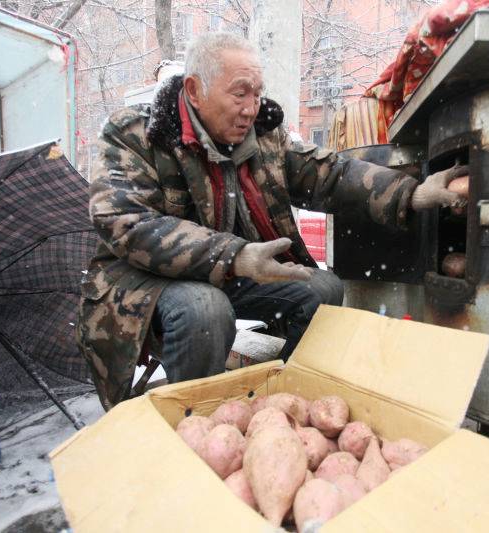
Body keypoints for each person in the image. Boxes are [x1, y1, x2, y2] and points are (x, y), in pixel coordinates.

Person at [77, 32, 465, 410]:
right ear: (194, 91)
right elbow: (125, 221)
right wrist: (233, 255)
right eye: (240, 93)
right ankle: (196, 423)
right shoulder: (135, 134)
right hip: (147, 279)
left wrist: (410, 193)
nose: (251, 107)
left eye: (258, 92)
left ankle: (284, 402)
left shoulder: (264, 137)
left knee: (321, 289)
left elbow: (330, 174)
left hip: (232, 267)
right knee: (204, 309)